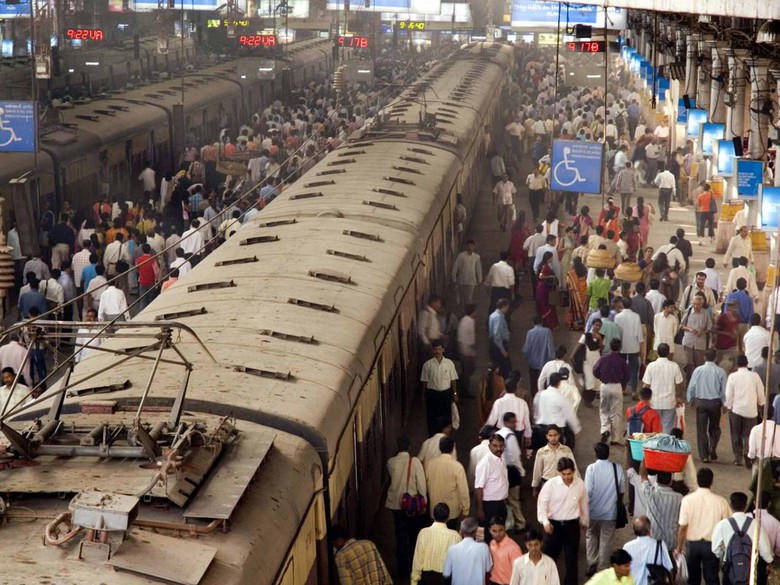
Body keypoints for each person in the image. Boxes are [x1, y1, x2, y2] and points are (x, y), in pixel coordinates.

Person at [537, 457, 589, 585]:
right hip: (554, 526)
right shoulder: (551, 485)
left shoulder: (580, 484)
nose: (566, 477)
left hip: (572, 526)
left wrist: (584, 521)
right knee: (549, 559)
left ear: (574, 471)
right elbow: (542, 505)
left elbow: (584, 504)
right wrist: (545, 522)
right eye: (563, 474)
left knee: (572, 561)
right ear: (559, 472)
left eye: (569, 474)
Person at [675, 468, 731, 585]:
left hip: (692, 546)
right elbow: (727, 526)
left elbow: (683, 527)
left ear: (697, 480)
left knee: (693, 579)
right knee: (712, 578)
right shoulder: (721, 501)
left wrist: (678, 548)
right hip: (712, 545)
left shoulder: (687, 500)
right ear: (712, 481)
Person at [711, 492, 773, 585]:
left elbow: (715, 549)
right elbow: (765, 549)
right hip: (750, 569)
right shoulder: (756, 524)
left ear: (731, 505)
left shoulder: (722, 524)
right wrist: (770, 562)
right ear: (746, 505)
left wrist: (725, 555)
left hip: (729, 568)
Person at [386, 436, 426, 577]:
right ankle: (414, 566)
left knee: (400, 536)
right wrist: (423, 503)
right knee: (413, 535)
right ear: (409, 447)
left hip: (395, 504)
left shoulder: (390, 462)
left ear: (398, 446)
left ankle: (402, 568)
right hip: (411, 505)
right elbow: (421, 483)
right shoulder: (414, 462)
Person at [585, 443, 624, 575]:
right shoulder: (617, 468)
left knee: (591, 535)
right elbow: (621, 491)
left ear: (596, 454)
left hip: (593, 512)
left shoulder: (591, 469)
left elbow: (588, 491)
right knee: (606, 540)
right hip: (610, 513)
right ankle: (602, 568)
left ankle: (592, 563)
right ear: (608, 454)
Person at [687, 348, 727, 463]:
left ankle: (704, 455)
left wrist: (691, 399)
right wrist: (725, 404)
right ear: (716, 358)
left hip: (701, 403)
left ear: (704, 357)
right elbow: (724, 390)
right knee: (714, 428)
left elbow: (692, 386)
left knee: (701, 430)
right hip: (715, 403)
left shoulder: (698, 370)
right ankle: (712, 447)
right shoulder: (721, 372)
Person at [725, 354, 765, 467]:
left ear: (736, 364)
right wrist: (761, 403)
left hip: (736, 410)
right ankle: (748, 454)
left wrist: (728, 406)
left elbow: (728, 394)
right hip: (751, 411)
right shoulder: (755, 376)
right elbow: (761, 392)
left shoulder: (732, 377)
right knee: (749, 435)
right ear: (747, 364)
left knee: (735, 434)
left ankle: (737, 458)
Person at [411, 503, 462, 585]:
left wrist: (414, 581)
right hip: (446, 579)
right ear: (448, 518)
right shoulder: (455, 536)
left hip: (427, 578)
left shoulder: (423, 533)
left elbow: (418, 559)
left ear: (433, 516)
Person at [425, 436, 469, 530]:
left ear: (439, 448)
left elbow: (426, 485)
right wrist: (466, 510)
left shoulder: (430, 464)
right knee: (451, 534)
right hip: (452, 511)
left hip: (434, 509)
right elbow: (463, 491)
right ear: (452, 449)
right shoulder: (457, 466)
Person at [594, 338, 631, 444]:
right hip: (617, 386)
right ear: (619, 348)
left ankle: (605, 430)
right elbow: (627, 374)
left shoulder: (603, 358)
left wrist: (601, 377)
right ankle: (615, 438)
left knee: (604, 409)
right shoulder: (621, 360)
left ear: (610, 346)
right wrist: (623, 383)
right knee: (616, 412)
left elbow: (595, 370)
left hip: (605, 386)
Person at [641, 343, 684, 433]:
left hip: (654, 402)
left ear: (657, 353)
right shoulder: (674, 366)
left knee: (654, 428)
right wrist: (679, 397)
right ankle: (665, 441)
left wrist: (643, 400)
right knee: (667, 429)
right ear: (668, 353)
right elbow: (679, 384)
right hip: (670, 403)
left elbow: (646, 385)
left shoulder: (651, 366)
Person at [420, 339, 459, 437]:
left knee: (446, 418)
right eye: (435, 349)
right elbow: (424, 382)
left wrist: (454, 394)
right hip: (432, 395)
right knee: (432, 418)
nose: (437, 351)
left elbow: (453, 380)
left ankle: (445, 438)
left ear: (443, 350)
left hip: (446, 395)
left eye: (439, 349)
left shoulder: (449, 364)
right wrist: (423, 396)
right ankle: (432, 438)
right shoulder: (427, 365)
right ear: (432, 350)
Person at [474, 433, 509, 540]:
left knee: (499, 534)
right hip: (489, 506)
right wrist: (480, 509)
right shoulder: (485, 463)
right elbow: (478, 488)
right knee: (484, 535)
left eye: (501, 446)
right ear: (489, 446)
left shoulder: (501, 458)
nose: (498, 449)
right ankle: (482, 550)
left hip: (500, 503)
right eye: (495, 446)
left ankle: (497, 550)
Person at [535, 373, 582, 448]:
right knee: (556, 452)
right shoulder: (560, 398)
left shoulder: (540, 394)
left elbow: (535, 411)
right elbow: (570, 415)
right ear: (559, 383)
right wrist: (576, 429)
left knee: (543, 451)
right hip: (555, 431)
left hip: (541, 429)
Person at [623, 516, 673, 585]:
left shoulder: (627, 547)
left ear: (634, 531)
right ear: (649, 530)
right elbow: (669, 568)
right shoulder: (660, 545)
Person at [443, 517, 492, 585]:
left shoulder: (452, 549)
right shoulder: (484, 547)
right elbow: (488, 569)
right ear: (476, 531)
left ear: (461, 531)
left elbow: (446, 574)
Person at [615, 297, 643, 397]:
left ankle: (622, 389)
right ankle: (634, 391)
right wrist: (641, 347)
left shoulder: (617, 316)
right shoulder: (636, 316)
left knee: (622, 368)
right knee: (634, 369)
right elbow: (639, 333)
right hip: (633, 346)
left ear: (622, 304)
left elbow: (616, 332)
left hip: (621, 346)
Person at [680, 294, 712, 378]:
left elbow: (709, 327)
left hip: (700, 343)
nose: (696, 306)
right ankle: (688, 381)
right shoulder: (688, 312)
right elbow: (681, 326)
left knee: (699, 364)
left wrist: (703, 332)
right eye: (694, 304)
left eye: (698, 304)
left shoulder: (705, 314)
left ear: (702, 304)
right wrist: (690, 329)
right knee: (688, 364)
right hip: (688, 342)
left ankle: (698, 380)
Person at [522, 316, 555, 393]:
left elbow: (526, 348)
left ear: (532, 322)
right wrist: (552, 357)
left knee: (533, 382)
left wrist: (526, 356)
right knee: (544, 381)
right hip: (545, 361)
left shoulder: (530, 333)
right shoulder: (547, 331)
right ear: (542, 322)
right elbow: (550, 346)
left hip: (532, 362)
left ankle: (534, 395)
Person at [488, 516, 523, 585]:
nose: (497, 534)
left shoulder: (514, 548)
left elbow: (519, 573)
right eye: (494, 531)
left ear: (505, 528)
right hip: (492, 582)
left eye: (500, 530)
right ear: (489, 530)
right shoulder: (491, 543)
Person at [452, 240, 482, 310]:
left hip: (471, 280)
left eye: (472, 246)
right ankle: (462, 310)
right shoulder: (461, 256)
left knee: (469, 297)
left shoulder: (476, 257)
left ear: (474, 247)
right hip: (462, 280)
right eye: (469, 246)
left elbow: (478, 268)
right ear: (466, 247)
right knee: (462, 298)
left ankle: (467, 311)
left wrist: (479, 280)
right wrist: (454, 278)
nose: (470, 248)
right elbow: (456, 267)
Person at [714, 300, 742, 371]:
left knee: (732, 365)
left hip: (732, 345)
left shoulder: (737, 317)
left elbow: (737, 330)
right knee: (721, 365)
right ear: (729, 307)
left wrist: (740, 347)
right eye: (733, 307)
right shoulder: (723, 317)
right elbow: (715, 330)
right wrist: (727, 334)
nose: (735, 309)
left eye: (736, 307)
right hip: (722, 346)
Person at [535, 251, 559, 330]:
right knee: (547, 305)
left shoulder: (543, 265)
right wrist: (550, 276)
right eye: (551, 258)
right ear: (548, 258)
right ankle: (550, 324)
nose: (552, 259)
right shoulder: (545, 266)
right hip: (544, 288)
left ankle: (546, 323)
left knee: (545, 305)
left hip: (543, 287)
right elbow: (541, 276)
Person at [489, 299, 512, 378]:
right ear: (504, 307)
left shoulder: (493, 315)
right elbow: (497, 336)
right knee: (505, 369)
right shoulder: (498, 318)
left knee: (497, 366)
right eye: (507, 307)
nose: (508, 309)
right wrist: (503, 350)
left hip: (494, 344)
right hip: (499, 346)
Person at [457, 304, 477, 398]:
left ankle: (463, 388)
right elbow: (467, 338)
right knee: (467, 371)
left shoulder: (465, 320)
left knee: (468, 371)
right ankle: (464, 390)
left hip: (465, 350)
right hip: (466, 351)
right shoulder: (468, 321)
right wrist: (472, 346)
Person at [565, 256, 589, 330]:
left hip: (575, 292)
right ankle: (584, 323)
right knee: (584, 306)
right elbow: (586, 278)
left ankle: (575, 323)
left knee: (575, 306)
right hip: (583, 288)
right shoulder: (584, 269)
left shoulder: (571, 272)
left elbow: (568, 282)